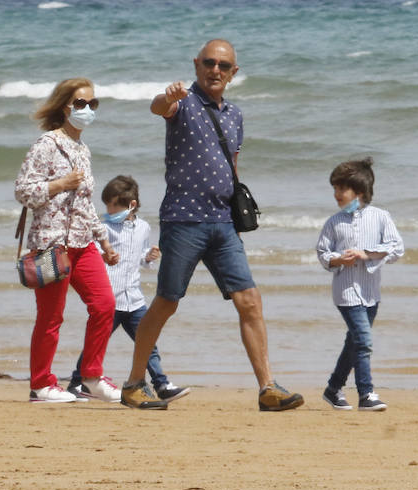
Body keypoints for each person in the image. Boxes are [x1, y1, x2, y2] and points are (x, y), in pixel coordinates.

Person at [119, 39, 303, 413]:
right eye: (208, 62)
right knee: (166, 303)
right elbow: (159, 107)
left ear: (233, 73)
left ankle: (268, 388)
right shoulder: (182, 101)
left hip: (223, 223)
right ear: (196, 64)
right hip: (183, 220)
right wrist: (166, 96)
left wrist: (238, 207)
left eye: (223, 65)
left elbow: (232, 164)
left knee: (249, 301)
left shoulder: (235, 115)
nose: (215, 70)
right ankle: (135, 383)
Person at [14, 78, 122, 404]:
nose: (87, 110)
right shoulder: (46, 145)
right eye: (80, 104)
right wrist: (60, 183)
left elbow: (86, 204)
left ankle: (91, 377)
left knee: (105, 305)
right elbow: (23, 190)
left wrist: (104, 242)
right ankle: (41, 385)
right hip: (52, 243)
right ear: (65, 107)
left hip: (83, 242)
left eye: (93, 104)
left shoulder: (82, 149)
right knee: (51, 318)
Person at [66, 175, 189, 402]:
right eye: (107, 205)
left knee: (148, 343)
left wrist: (149, 257)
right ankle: (77, 382)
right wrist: (104, 254)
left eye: (114, 205)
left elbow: (141, 258)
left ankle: (161, 384)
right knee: (96, 343)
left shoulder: (143, 227)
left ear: (131, 205)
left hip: (134, 299)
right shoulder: (103, 228)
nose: (109, 209)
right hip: (110, 299)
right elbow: (91, 254)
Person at [315, 157, 404, 412]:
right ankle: (366, 393)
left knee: (353, 342)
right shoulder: (333, 222)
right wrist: (338, 258)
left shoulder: (381, 217)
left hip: (370, 292)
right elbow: (322, 253)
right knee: (363, 340)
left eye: (341, 189)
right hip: (345, 292)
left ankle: (333, 389)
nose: (336, 194)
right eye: (335, 188)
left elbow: (397, 248)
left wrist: (368, 253)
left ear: (360, 192)